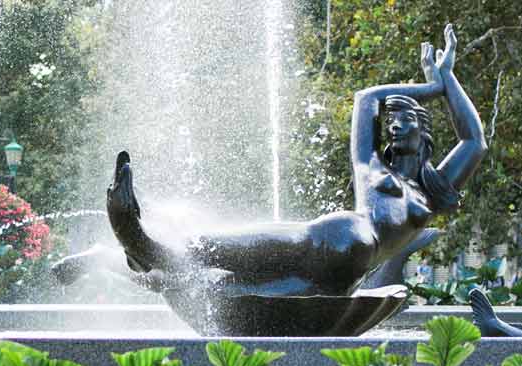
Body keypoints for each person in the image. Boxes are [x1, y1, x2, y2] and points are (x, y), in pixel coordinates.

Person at [77, 24, 485, 297]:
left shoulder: (433, 189)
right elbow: (367, 98)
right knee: (208, 251)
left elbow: (475, 141)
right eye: (391, 120)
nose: (394, 126)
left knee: (215, 287)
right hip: (324, 238)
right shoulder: (371, 167)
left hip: (344, 275)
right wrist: (429, 88)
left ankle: (124, 255)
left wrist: (448, 78)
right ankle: (136, 243)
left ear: (423, 130)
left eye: (405, 119)